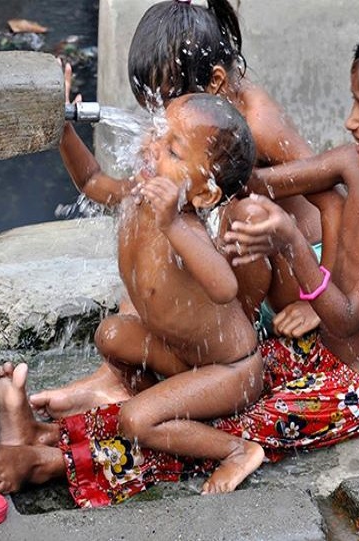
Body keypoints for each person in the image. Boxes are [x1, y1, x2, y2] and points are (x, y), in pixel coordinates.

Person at [0, 10, 359, 507]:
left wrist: (292, 245)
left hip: (350, 388)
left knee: (211, 430)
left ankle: (50, 463)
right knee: (198, 396)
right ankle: (45, 433)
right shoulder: (352, 161)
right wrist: (203, 181)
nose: (349, 122)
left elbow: (348, 320)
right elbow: (253, 182)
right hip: (309, 352)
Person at [30, 0, 328, 420]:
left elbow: (330, 192)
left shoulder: (258, 124)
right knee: (156, 254)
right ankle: (113, 378)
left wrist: (318, 298)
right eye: (152, 107)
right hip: (237, 265)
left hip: (300, 272)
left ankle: (216, 366)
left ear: (215, 83)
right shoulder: (191, 131)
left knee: (244, 214)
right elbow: (98, 184)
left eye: (166, 103)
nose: (156, 121)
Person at [25, 87, 265, 494]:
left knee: (135, 421)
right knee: (111, 334)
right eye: (156, 135)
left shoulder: (185, 229)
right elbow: (91, 180)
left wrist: (172, 224)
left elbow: (225, 288)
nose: (152, 149)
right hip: (182, 360)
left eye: (172, 152)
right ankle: (165, 408)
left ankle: (238, 450)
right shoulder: (138, 195)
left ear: (204, 193)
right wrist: (62, 125)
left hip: (230, 372)